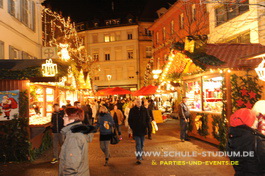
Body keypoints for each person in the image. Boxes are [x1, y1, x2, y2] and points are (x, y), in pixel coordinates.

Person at [227, 108, 265, 176]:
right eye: (255, 119)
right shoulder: (256, 139)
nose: (257, 121)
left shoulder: (232, 137)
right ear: (249, 121)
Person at [59, 107, 95, 176]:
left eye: (66, 116)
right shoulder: (76, 133)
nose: (63, 118)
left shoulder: (74, 137)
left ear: (73, 118)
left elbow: (71, 165)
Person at [129, 98, 150, 164]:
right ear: (135, 102)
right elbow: (130, 120)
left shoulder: (144, 109)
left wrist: (147, 126)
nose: (139, 103)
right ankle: (139, 157)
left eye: (140, 102)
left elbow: (148, 118)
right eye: (138, 102)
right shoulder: (132, 110)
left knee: (142, 144)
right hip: (136, 130)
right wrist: (133, 127)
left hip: (143, 129)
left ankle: (140, 155)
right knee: (138, 144)